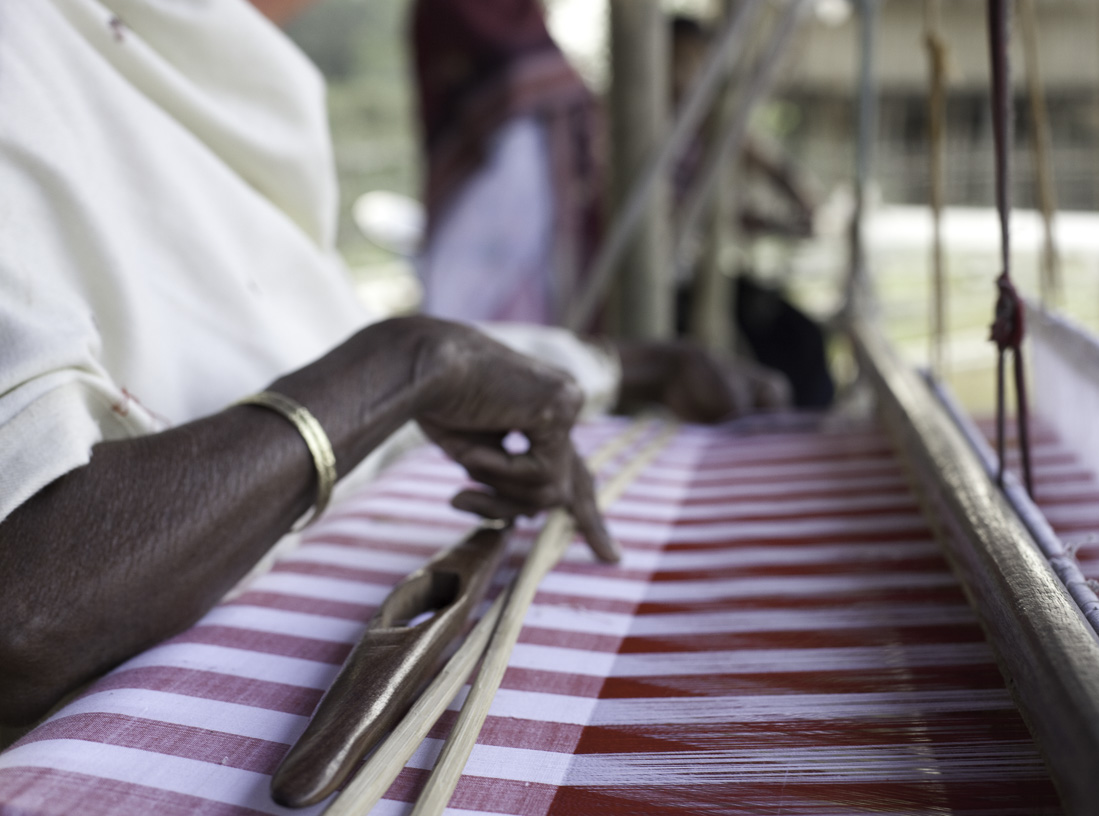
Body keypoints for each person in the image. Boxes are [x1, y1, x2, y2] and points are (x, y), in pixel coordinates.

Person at [0, 0, 787, 727]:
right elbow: (25, 616)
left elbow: (314, 348)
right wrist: (406, 364)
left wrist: (625, 367)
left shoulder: (184, 76)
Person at [410, 0, 601, 324]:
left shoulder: (526, 19)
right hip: (485, 168)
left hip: (536, 171)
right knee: (461, 292)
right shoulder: (452, 12)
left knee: (533, 285)